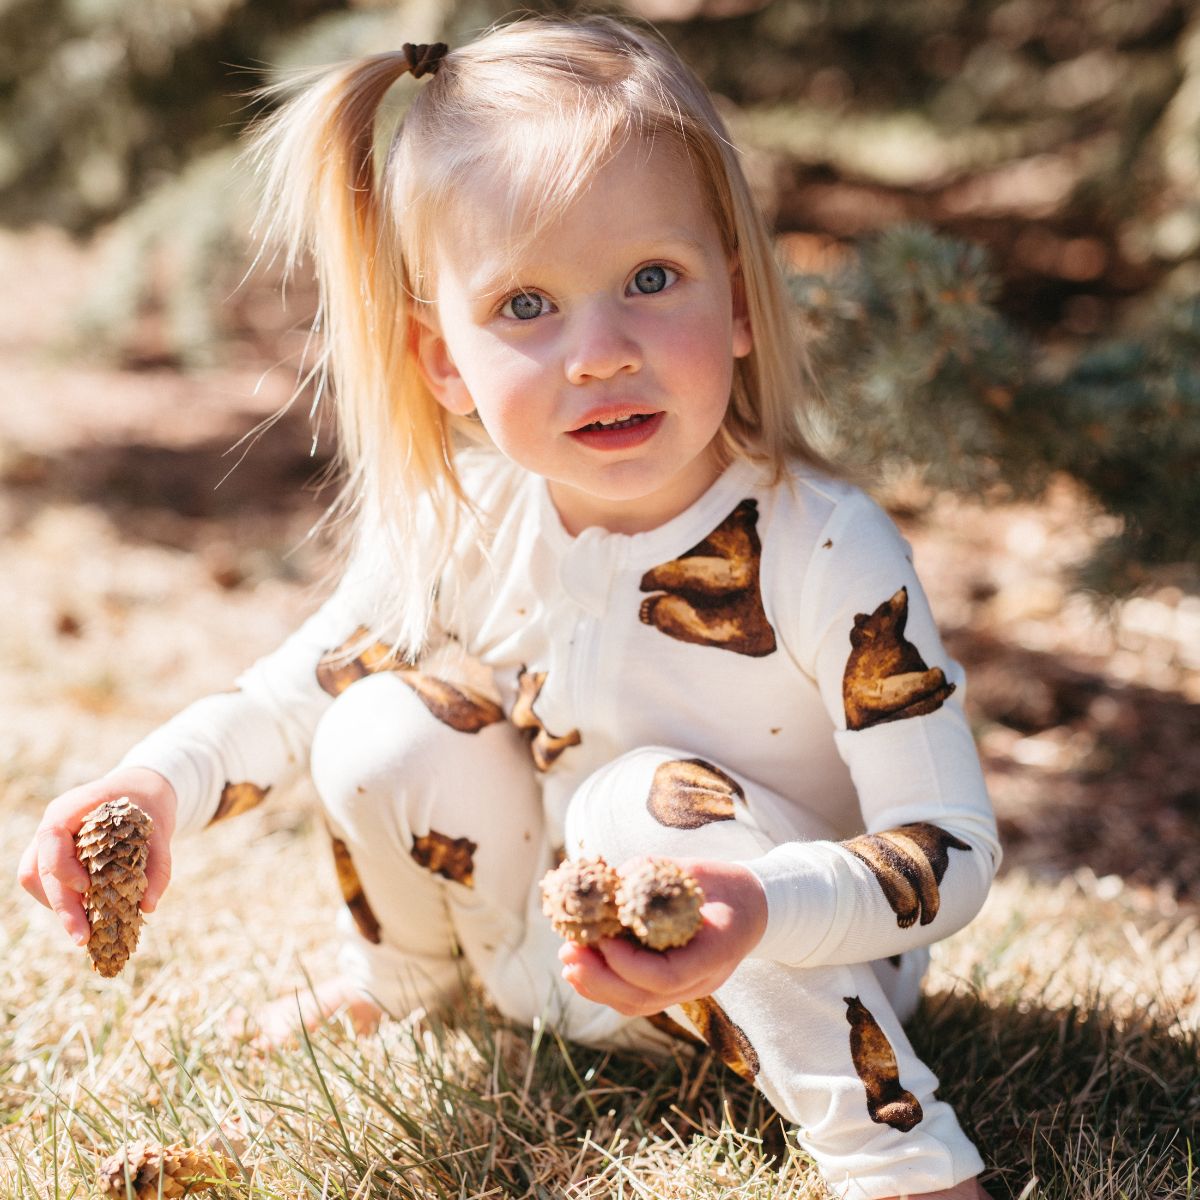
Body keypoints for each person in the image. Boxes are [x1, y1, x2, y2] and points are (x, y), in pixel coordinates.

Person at [19, 17, 999, 1199]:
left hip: (798, 961)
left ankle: (898, 1159)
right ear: (443, 362)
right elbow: (284, 699)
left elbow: (949, 852)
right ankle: (405, 983)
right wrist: (153, 789)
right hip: (550, 968)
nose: (599, 353)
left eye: (650, 279)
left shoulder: (825, 546)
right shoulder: (466, 525)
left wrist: (761, 905)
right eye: (526, 306)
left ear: (738, 304)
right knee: (376, 723)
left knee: (645, 806)